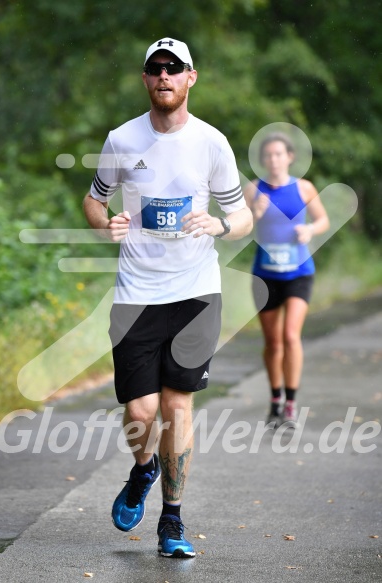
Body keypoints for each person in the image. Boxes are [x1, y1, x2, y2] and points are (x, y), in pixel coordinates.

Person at [83, 37, 253, 558]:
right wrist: (104, 225)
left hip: (195, 293)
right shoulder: (121, 139)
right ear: (145, 79)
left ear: (190, 78)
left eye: (173, 69)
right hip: (136, 292)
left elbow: (242, 215)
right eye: (155, 69)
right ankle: (143, 469)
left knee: (177, 407)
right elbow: (93, 201)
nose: (164, 77)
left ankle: (172, 521)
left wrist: (221, 225)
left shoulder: (212, 143)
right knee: (140, 409)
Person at [244, 132, 329, 429]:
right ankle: (275, 399)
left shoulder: (304, 188)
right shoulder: (253, 190)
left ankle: (291, 404)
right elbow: (241, 229)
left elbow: (323, 220)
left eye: (279, 154)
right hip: (265, 275)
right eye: (268, 155)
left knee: (291, 336)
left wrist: (310, 231)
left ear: (290, 157)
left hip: (298, 273)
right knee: (273, 341)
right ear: (263, 160)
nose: (273, 160)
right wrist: (255, 212)